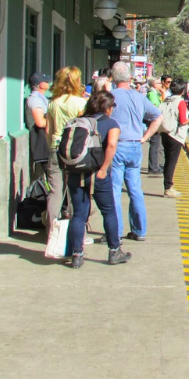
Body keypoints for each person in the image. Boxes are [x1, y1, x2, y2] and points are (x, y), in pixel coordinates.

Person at [64, 91, 131, 268]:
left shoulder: (78, 121)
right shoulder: (111, 124)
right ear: (108, 108)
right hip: (97, 174)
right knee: (108, 211)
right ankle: (114, 251)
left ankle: (77, 255)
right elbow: (111, 145)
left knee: (78, 214)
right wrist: (103, 168)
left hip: (75, 173)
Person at [109, 62, 163, 242]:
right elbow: (158, 117)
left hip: (116, 145)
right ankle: (139, 230)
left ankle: (115, 232)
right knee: (135, 189)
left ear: (113, 78)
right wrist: (145, 137)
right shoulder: (139, 97)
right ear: (130, 77)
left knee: (115, 189)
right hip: (135, 145)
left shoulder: (110, 97)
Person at [45, 67, 88, 237]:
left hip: (56, 147)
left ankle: (52, 233)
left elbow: (48, 130)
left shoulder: (52, 103)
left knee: (55, 192)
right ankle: (76, 234)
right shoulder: (80, 103)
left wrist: (52, 146)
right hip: (75, 151)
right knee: (75, 191)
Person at [160, 79, 189, 198]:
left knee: (167, 160)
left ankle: (167, 186)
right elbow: (183, 121)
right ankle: (168, 188)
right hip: (175, 135)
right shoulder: (181, 102)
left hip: (165, 132)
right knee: (171, 162)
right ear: (183, 90)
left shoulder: (167, 99)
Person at [25, 72, 51, 181]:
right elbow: (40, 122)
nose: (48, 82)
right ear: (41, 85)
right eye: (46, 81)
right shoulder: (35, 100)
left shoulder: (42, 98)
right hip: (42, 142)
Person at [146, 77, 164, 176]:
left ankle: (154, 166)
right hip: (154, 121)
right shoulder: (152, 94)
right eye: (159, 83)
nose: (161, 84)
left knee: (156, 144)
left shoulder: (155, 93)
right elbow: (154, 107)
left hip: (155, 121)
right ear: (154, 84)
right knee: (155, 144)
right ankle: (153, 167)